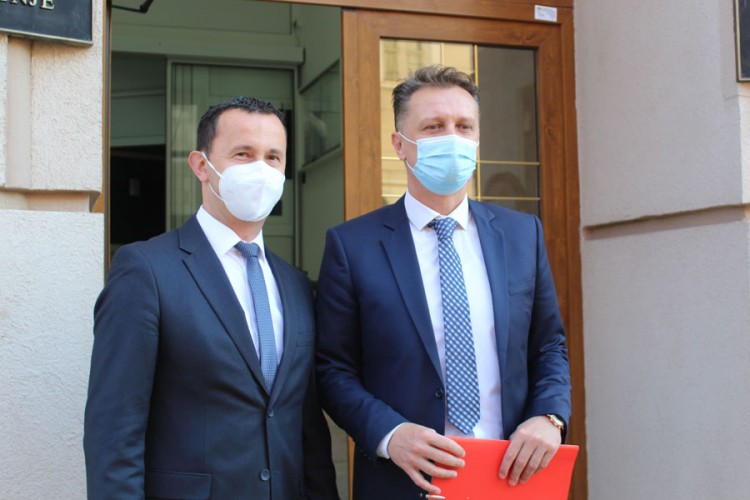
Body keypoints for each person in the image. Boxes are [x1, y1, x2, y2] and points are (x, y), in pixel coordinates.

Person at [315, 66, 571, 499]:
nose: (452, 138)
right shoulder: (352, 246)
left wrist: (550, 417)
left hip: (511, 477)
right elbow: (332, 369)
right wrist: (389, 433)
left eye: (464, 126)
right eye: (433, 127)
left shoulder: (521, 234)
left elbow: (548, 346)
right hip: (404, 481)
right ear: (400, 144)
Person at [84, 97, 339, 499]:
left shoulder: (295, 284)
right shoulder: (146, 271)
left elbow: (307, 429)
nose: (260, 169)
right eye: (243, 154)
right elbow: (114, 432)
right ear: (201, 165)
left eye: (273, 157)